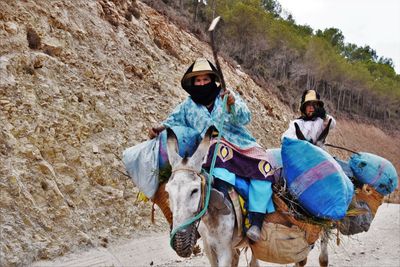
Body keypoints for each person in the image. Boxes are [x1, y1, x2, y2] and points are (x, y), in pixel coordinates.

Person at [149, 58, 275, 242]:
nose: (201, 84)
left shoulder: (225, 96)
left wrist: (232, 103)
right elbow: (172, 121)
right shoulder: (187, 106)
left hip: (242, 144)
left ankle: (256, 222)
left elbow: (245, 117)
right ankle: (219, 196)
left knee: (265, 166)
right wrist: (158, 128)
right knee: (216, 146)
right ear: (192, 83)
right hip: (212, 148)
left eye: (205, 80)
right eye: (197, 81)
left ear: (212, 80)